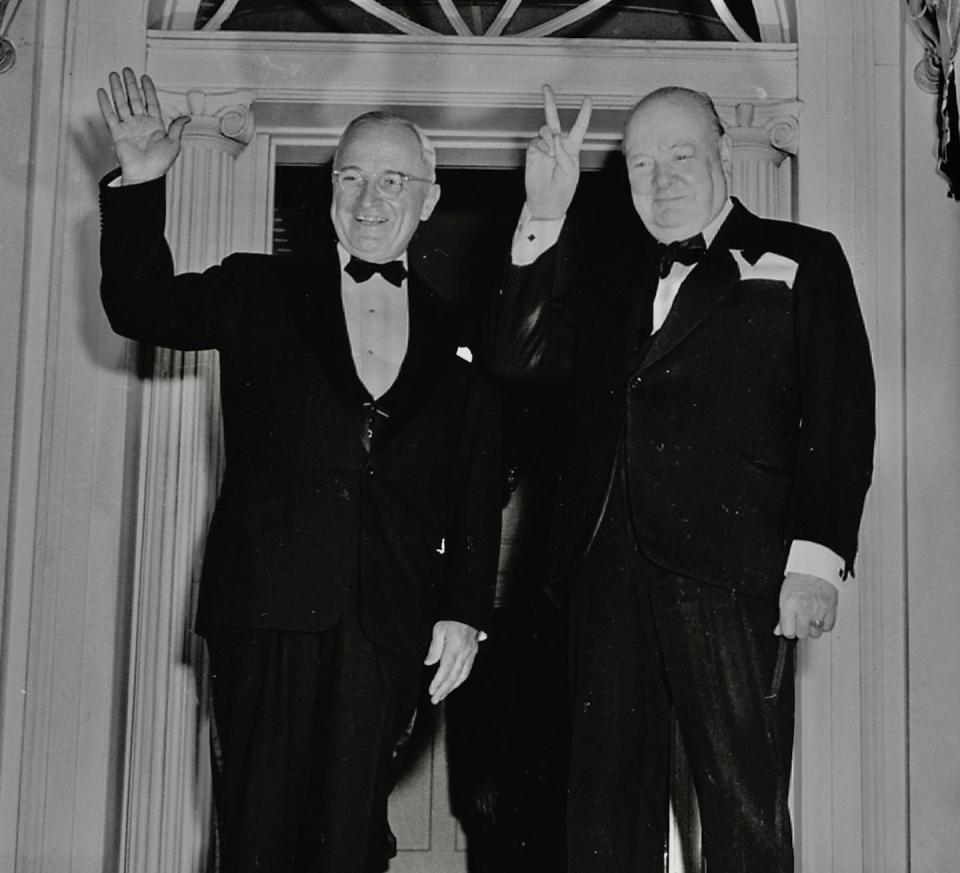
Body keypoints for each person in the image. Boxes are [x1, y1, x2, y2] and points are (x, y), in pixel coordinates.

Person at [96, 68, 501, 873]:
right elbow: (140, 308)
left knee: (352, 836)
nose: (368, 199)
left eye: (392, 181)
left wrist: (464, 609)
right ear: (329, 192)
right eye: (350, 177)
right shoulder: (260, 286)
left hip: (390, 618)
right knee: (261, 831)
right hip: (268, 603)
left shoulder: (466, 330)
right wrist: (141, 183)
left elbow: (477, 481)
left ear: (428, 197)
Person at [486, 84, 876, 872]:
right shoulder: (602, 276)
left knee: (740, 811)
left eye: (680, 157)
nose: (658, 180)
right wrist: (546, 217)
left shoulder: (803, 257)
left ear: (725, 155)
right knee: (601, 817)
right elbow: (515, 356)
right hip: (607, 577)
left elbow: (840, 417)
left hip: (737, 578)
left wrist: (816, 563)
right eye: (638, 164)